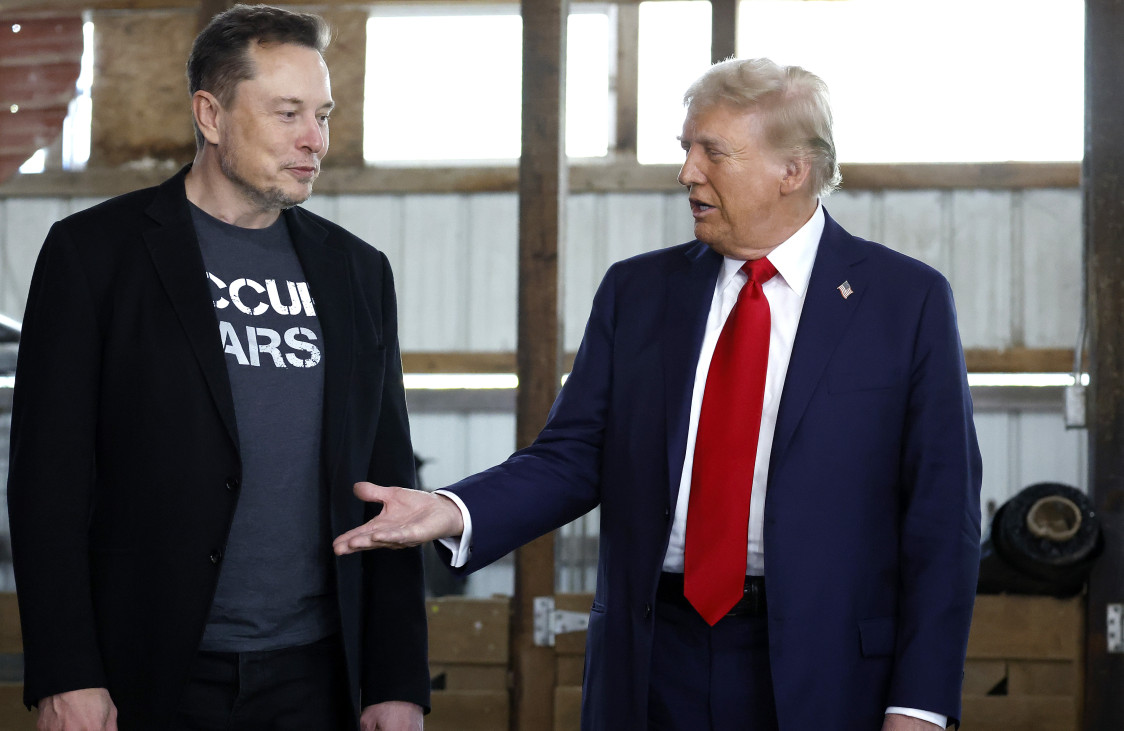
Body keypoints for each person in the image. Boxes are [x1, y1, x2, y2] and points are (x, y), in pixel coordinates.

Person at [334, 58, 981, 731]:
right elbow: (573, 454)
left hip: (829, 670)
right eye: (686, 149)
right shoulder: (637, 292)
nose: (688, 173)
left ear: (792, 169)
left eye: (713, 152)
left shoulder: (904, 301)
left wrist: (921, 702)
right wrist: (452, 508)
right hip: (651, 660)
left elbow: (942, 517)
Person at [7, 5, 427, 730]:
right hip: (150, 668)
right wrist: (66, 668)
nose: (315, 140)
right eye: (288, 112)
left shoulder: (357, 271)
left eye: (322, 114)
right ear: (211, 113)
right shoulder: (95, 255)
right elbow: (47, 481)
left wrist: (396, 679)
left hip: (318, 674)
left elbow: (388, 478)